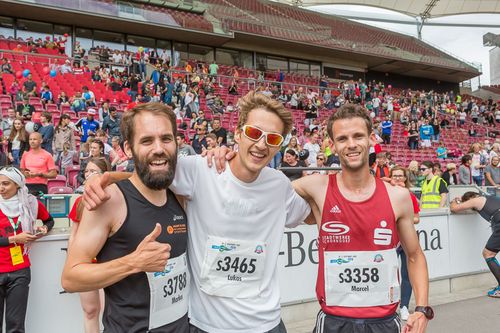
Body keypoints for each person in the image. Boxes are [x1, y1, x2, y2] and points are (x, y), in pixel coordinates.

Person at [81, 92, 313, 333]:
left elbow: (310, 214)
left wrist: (316, 185)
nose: (262, 144)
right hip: (206, 326)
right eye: (254, 133)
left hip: (267, 325)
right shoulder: (200, 170)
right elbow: (147, 175)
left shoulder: (279, 185)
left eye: (273, 139)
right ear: (237, 134)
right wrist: (102, 178)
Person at [293, 104, 432, 333]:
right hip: (333, 322)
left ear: (371, 139)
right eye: (342, 138)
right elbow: (266, 187)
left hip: (384, 323)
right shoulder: (317, 187)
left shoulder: (397, 196)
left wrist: (422, 308)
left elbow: (415, 255)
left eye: (358, 136)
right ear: (333, 145)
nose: (351, 144)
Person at [62, 103, 190, 332]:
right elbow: (71, 277)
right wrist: (133, 263)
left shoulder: (180, 195)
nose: (159, 148)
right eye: (147, 141)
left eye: (166, 138)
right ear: (128, 149)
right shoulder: (110, 200)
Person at [0, 167, 54, 332]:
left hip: (20, 271)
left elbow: (49, 220)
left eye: (5, 184)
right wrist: (15, 239)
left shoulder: (31, 203)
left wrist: (44, 229)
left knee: (16, 325)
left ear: (17, 185)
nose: (1, 188)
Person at [68, 158, 111, 332]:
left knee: (110, 311)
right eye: (87, 171)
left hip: (108, 262)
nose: (89, 175)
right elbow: (74, 235)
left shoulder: (115, 200)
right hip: (86, 264)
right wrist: (71, 263)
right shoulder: (80, 202)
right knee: (90, 311)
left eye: (94, 171)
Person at [450, 192, 500, 297]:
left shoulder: (477, 200)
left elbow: (454, 208)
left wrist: (454, 201)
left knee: (488, 254)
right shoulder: (489, 198)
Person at [388, 166, 420, 321]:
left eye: (401, 176)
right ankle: (388, 306)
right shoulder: (383, 195)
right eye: (395, 176)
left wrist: (402, 219)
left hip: (406, 239)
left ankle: (404, 306)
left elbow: (416, 218)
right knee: (388, 274)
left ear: (406, 178)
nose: (398, 179)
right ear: (390, 178)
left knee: (407, 274)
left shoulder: (410, 196)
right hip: (388, 240)